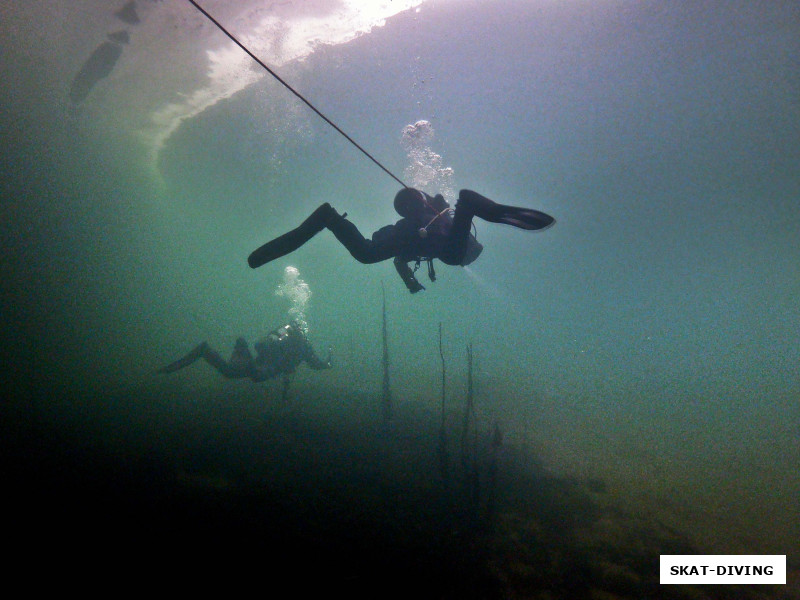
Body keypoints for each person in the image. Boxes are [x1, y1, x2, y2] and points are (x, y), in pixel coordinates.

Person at [248, 188, 555, 293]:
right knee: (369, 254)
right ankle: (471, 205)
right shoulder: (442, 229)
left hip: (414, 232)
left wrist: (409, 280)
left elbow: (398, 258)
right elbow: (401, 257)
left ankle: (470, 204)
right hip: (421, 231)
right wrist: (409, 280)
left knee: (367, 253)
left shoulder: (434, 227)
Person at [157, 321, 332, 382]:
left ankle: (235, 349)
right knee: (255, 375)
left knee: (229, 372)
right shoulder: (304, 346)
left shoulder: (280, 335)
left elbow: (260, 345)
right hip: (263, 369)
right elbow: (317, 365)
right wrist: (328, 363)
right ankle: (244, 356)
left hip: (257, 362)